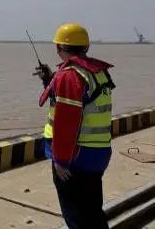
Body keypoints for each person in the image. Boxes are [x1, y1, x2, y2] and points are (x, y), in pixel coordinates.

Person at [34, 23, 115, 229]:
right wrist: (50, 79)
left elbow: (66, 122)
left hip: (74, 159)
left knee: (76, 218)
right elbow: (84, 101)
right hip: (98, 155)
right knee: (93, 214)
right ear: (86, 47)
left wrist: (60, 160)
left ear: (59, 47)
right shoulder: (97, 72)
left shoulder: (70, 75)